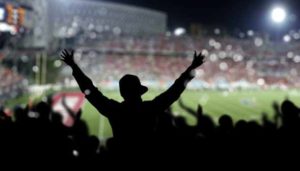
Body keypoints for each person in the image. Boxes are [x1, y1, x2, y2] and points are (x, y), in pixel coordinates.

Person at [60, 49, 205, 142]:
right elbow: (174, 91)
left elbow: (90, 91)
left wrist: (74, 66)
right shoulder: (150, 108)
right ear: (140, 92)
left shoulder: (114, 110)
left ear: (122, 93)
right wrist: (190, 69)